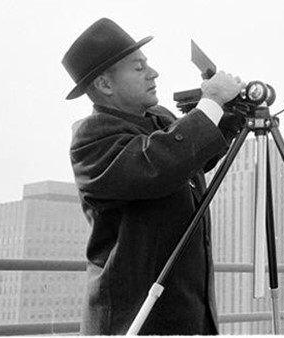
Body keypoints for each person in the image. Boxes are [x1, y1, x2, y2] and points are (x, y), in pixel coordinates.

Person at [62, 17, 245, 335]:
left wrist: (231, 116)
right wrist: (211, 103)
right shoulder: (92, 137)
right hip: (135, 318)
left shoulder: (157, 119)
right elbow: (161, 163)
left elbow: (191, 159)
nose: (153, 73)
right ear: (105, 85)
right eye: (138, 67)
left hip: (185, 309)